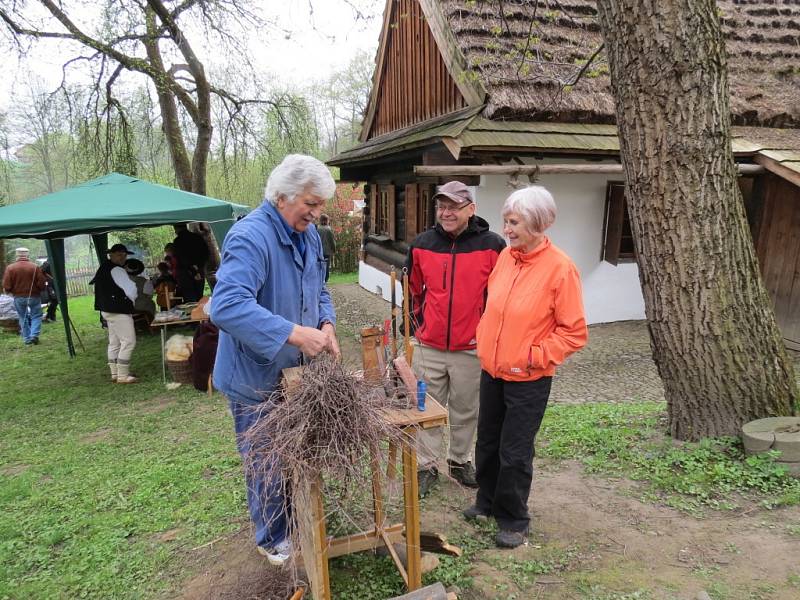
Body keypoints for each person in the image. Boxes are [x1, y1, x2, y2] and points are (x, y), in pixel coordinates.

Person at [211, 154, 340, 566]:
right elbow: (226, 306)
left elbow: (319, 287)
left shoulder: (309, 235)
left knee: (294, 449)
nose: (316, 214)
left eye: (321, 205)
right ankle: (273, 537)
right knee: (265, 456)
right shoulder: (250, 237)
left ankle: (296, 516)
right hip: (254, 375)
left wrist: (325, 321)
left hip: (294, 373)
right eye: (311, 204)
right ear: (283, 195)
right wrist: (294, 332)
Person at [464, 186, 588, 549]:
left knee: (514, 452)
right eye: (506, 220)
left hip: (528, 378)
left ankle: (514, 518)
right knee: (486, 442)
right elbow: (495, 307)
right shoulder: (506, 257)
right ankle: (485, 502)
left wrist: (533, 356)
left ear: (537, 224)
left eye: (515, 222)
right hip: (493, 370)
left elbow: (574, 333)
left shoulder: (561, 269)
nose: (508, 228)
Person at [405, 181, 505, 497]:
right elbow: (412, 292)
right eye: (442, 206)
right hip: (428, 345)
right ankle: (427, 465)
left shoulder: (493, 246)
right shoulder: (422, 244)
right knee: (426, 408)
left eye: (454, 206)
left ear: (470, 209)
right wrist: (415, 327)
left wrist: (488, 333)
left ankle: (459, 460)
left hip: (471, 348)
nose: (446, 213)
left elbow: (499, 296)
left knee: (465, 408)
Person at [90, 244, 139, 384]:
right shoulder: (117, 270)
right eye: (119, 254)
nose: (122, 257)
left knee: (114, 342)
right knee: (129, 341)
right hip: (118, 310)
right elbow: (131, 289)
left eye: (124, 255)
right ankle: (123, 375)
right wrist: (132, 301)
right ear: (111, 255)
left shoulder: (104, 268)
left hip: (107, 310)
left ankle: (115, 373)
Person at [2, 247, 46, 345]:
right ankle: (34, 335)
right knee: (36, 315)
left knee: (23, 317)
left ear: (17, 255)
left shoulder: (10, 268)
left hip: (18, 297)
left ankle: (27, 339)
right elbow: (42, 283)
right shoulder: (34, 267)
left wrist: (10, 292)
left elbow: (6, 285)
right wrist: (40, 290)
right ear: (27, 255)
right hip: (34, 296)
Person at [172, 223, 210, 301]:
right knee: (199, 296)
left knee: (190, 298)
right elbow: (206, 253)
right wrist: (199, 266)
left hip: (186, 273)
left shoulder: (178, 241)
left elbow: (180, 257)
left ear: (176, 229)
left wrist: (191, 268)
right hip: (199, 269)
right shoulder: (197, 238)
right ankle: (199, 312)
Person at [317, 214, 336, 282]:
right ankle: (325, 281)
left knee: (318, 267)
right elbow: (332, 241)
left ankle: (319, 280)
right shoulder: (328, 229)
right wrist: (334, 250)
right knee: (326, 267)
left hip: (318, 252)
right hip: (326, 252)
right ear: (326, 220)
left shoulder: (317, 228)